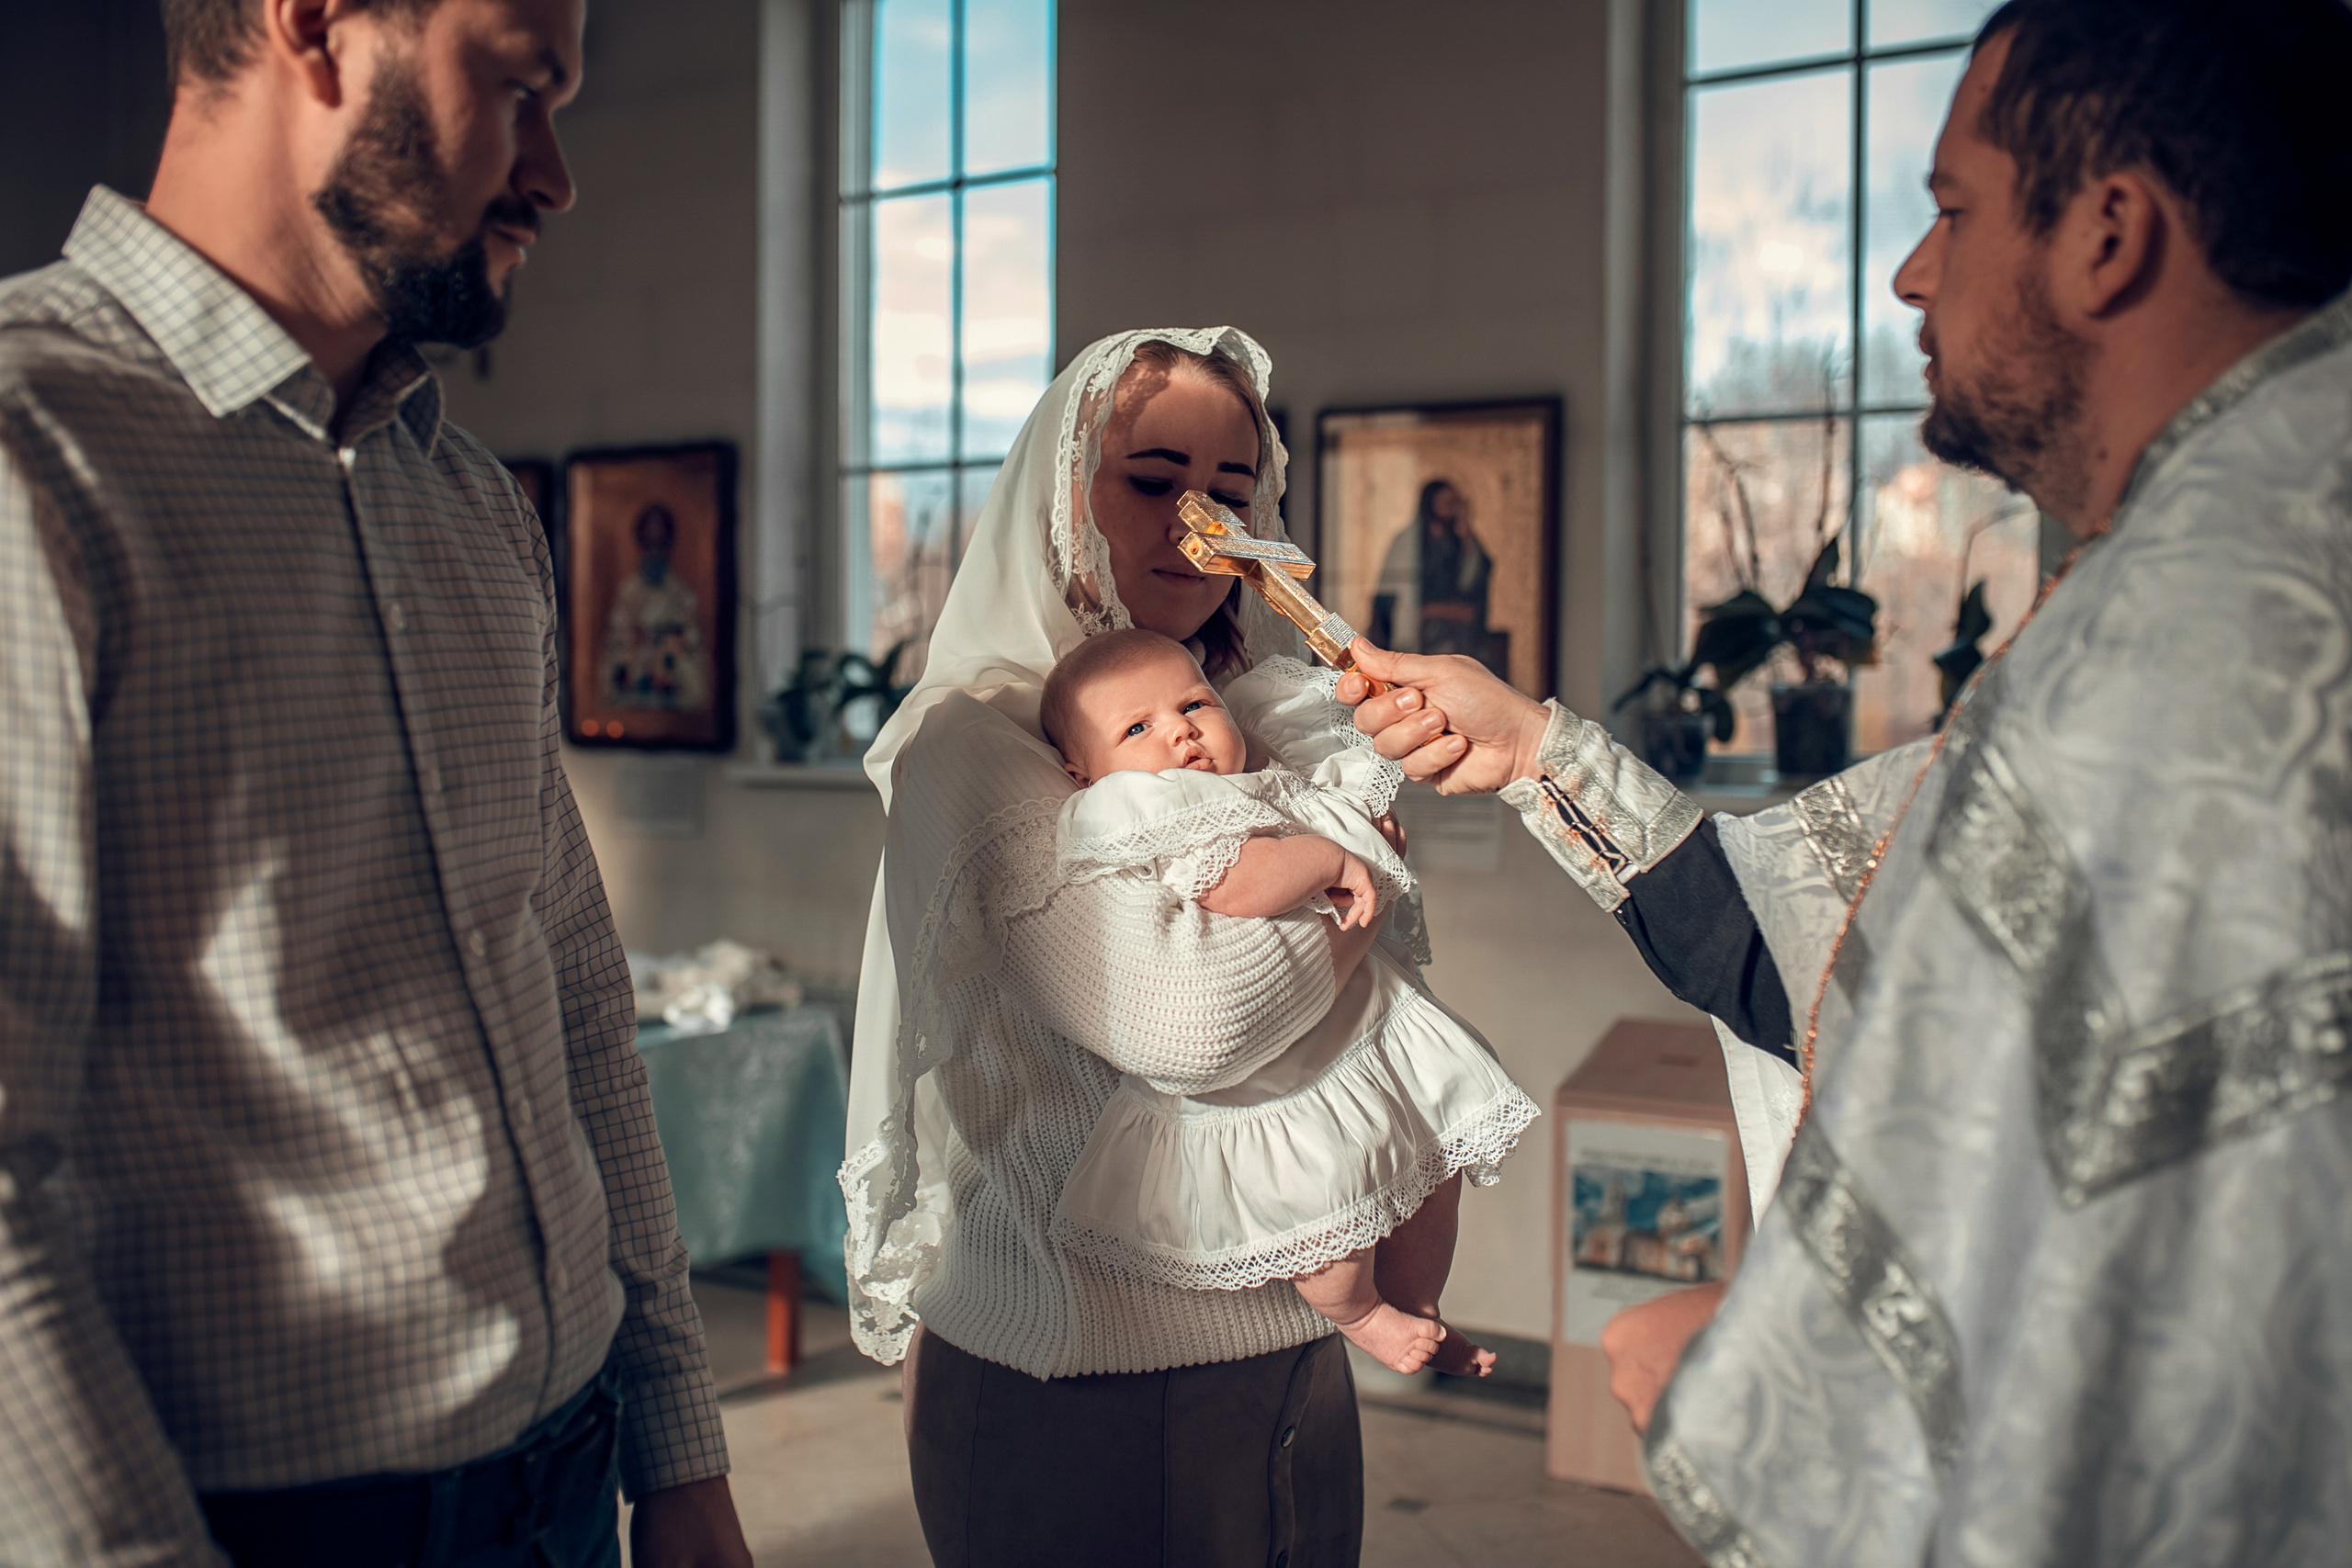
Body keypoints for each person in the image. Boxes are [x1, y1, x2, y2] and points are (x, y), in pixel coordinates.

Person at [1343, 0, 2352, 1562]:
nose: (1912, 273)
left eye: (1955, 209)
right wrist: (1538, 749)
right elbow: (1815, 944)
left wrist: (1749, 1387)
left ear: (2108, 234)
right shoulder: (2250, 533)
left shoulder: (2190, 631)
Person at [0, 2, 751, 1564]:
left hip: (567, 1478)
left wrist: (677, 1442)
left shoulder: (469, 504)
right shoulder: (35, 456)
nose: (556, 175)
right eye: (522, 86)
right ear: (316, 26)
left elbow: (577, 1001)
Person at [845, 329, 1386, 1566]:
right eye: (1152, 480)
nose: (1199, 524)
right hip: (1082, 1370)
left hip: (1297, 1347)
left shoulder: (1261, 717)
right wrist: (1352, 853)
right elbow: (1189, 1020)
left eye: (1232, 493)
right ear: (1059, 496)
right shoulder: (977, 745)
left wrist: (1346, 850)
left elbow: (1378, 960)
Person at [1036, 627, 1539, 1378]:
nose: (1179, 731)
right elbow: (1235, 882)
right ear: (1084, 773)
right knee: (1328, 1217)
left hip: (1365, 1030)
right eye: (1136, 728)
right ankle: (1359, 1312)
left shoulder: (1265, 774)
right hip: (1279, 1083)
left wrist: (1358, 833)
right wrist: (1336, 853)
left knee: (1437, 1168)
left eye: (1193, 704)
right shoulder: (1140, 805)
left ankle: (1420, 1303)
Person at [1369, 479, 1506, 677]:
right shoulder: (1408, 544)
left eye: (1455, 503)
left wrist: (1466, 531)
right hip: (1421, 632)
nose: (1452, 508)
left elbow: (1472, 580)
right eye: (1446, 502)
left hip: (1455, 636)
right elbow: (1394, 597)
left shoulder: (1458, 542)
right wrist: (1439, 610)